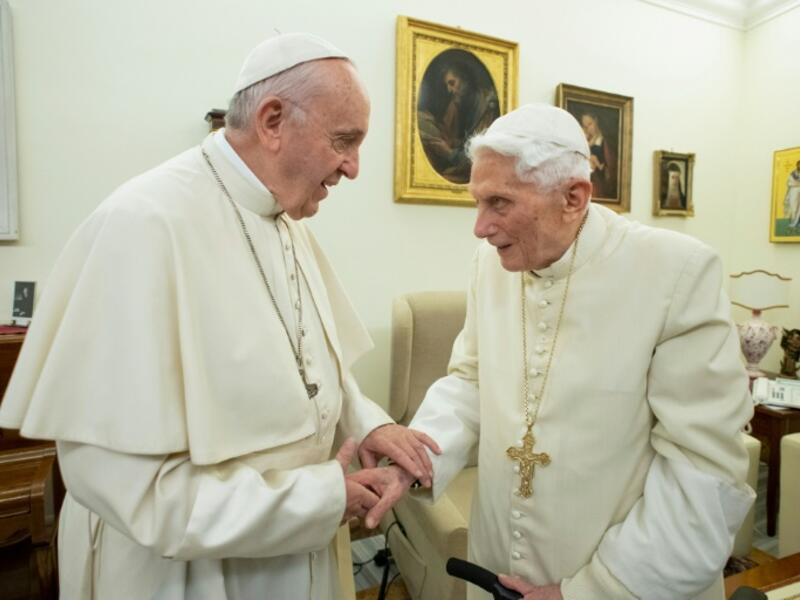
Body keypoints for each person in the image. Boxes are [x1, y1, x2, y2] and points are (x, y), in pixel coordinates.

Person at [0, 33, 436, 600]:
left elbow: (310, 361)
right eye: (344, 141)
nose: (353, 168)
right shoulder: (143, 226)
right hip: (192, 573)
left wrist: (367, 422)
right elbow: (137, 492)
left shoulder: (283, 218)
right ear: (273, 120)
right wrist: (326, 498)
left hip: (299, 549)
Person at [379, 104, 755, 599]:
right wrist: (418, 456)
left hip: (624, 582)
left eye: (499, 203)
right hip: (496, 565)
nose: (480, 227)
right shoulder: (489, 265)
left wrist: (589, 591)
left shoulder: (676, 274)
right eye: (477, 202)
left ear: (573, 197)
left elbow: (702, 470)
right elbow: (471, 380)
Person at [418, 59, 499, 184]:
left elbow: (480, 154)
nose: (450, 90)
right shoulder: (456, 103)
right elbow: (457, 138)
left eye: (452, 83)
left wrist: (449, 153)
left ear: (465, 79)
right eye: (447, 86)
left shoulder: (487, 107)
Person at [579, 111, 617, 199]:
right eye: (585, 126)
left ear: (596, 121)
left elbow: (611, 169)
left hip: (600, 187)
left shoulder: (606, 142)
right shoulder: (586, 142)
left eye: (590, 124)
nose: (588, 128)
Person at [785, 160, 800, 231]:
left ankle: (797, 223)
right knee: (793, 207)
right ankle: (793, 222)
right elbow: (789, 183)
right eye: (799, 165)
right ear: (797, 165)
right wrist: (797, 183)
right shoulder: (792, 174)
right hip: (794, 191)